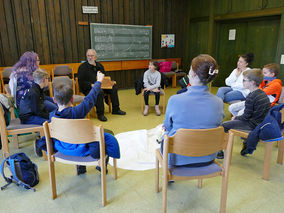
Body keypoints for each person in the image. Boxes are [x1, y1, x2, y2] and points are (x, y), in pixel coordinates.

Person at [36, 71, 120, 175]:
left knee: (78, 135)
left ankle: (81, 169)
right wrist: (98, 81)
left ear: (54, 100)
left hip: (62, 149)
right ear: (72, 99)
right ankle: (101, 165)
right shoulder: (77, 112)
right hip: (81, 150)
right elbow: (90, 99)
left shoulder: (52, 116)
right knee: (107, 135)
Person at [163, 54, 224, 167]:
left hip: (178, 157)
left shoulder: (175, 100)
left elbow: (168, 126)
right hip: (207, 157)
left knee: (164, 136)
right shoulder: (219, 102)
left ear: (194, 74)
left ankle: (168, 174)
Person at [221, 69, 271, 157]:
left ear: (252, 82)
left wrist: (236, 118)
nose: (242, 82)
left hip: (253, 125)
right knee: (236, 120)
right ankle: (246, 145)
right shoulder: (262, 94)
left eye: (244, 80)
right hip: (260, 123)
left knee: (223, 125)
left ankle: (219, 151)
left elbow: (245, 117)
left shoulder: (251, 97)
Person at [77, 49, 126, 122]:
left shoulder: (99, 66)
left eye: (92, 56)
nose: (90, 57)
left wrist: (110, 82)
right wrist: (91, 85)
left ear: (95, 57)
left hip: (101, 85)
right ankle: (100, 114)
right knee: (99, 92)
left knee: (113, 88)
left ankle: (116, 109)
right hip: (88, 88)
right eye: (88, 56)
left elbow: (104, 77)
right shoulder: (82, 67)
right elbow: (81, 82)